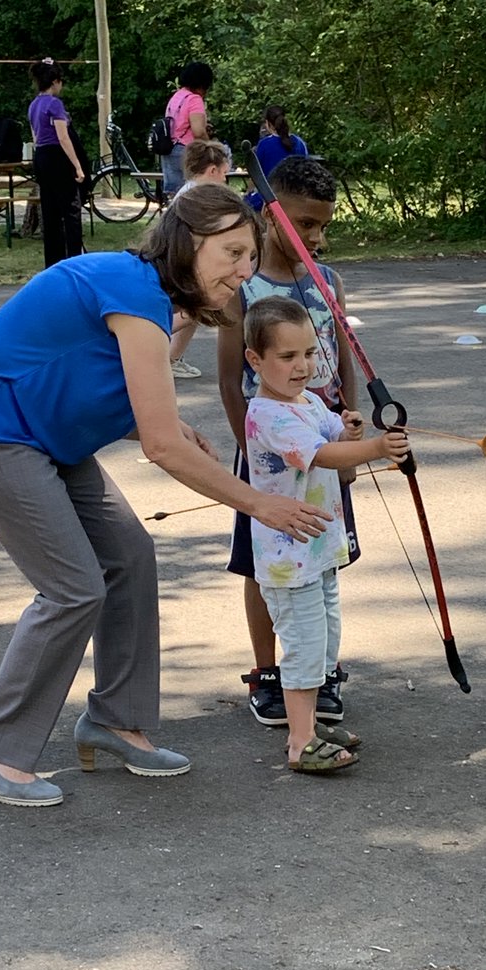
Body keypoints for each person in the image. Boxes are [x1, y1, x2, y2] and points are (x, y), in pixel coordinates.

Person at [0, 185, 331, 809]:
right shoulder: (132, 288)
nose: (244, 271)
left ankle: (116, 719)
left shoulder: (161, 300)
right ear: (186, 243)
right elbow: (163, 448)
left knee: (130, 556)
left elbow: (90, 377)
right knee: (73, 587)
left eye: (250, 256)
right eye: (230, 253)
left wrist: (154, 419)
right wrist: (259, 502)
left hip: (48, 436)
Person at [217, 155, 359, 727]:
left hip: (324, 442)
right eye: (305, 224)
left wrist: (351, 422)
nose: (317, 236)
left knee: (322, 556)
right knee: (264, 563)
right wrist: (252, 459)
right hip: (269, 448)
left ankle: (318, 670)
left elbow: (343, 361)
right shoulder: (241, 289)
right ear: (271, 216)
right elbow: (231, 380)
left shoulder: (330, 282)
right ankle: (268, 672)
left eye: (325, 225)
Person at [244, 296, 408, 772]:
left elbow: (336, 438)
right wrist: (377, 447)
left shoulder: (310, 401)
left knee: (325, 641)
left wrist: (353, 430)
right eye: (288, 357)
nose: (303, 366)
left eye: (310, 353)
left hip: (318, 550)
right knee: (305, 643)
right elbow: (321, 456)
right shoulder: (268, 415)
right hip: (287, 556)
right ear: (255, 360)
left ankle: (309, 723)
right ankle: (299, 742)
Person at [170, 140, 233, 380]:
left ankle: (172, 355)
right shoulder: (197, 196)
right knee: (198, 309)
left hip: (184, 261)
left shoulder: (190, 191)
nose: (225, 181)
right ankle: (164, 352)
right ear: (213, 171)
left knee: (198, 310)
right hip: (182, 264)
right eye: (225, 174)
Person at [28, 58, 87, 269]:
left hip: (41, 156)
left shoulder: (34, 104)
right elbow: (63, 137)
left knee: (50, 210)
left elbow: (35, 136)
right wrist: (77, 165)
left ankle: (52, 262)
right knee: (71, 209)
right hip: (57, 155)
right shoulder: (55, 104)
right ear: (54, 81)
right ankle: (74, 258)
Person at [162, 62, 214, 198]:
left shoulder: (177, 97)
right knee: (191, 195)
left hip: (170, 150)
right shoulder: (194, 99)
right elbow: (198, 132)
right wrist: (210, 146)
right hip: (186, 152)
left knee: (175, 196)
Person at [246, 106, 309, 211]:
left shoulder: (264, 144)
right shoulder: (299, 143)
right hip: (295, 198)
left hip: (269, 198)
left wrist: (248, 193)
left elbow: (256, 175)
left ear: (268, 123)